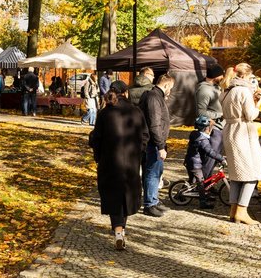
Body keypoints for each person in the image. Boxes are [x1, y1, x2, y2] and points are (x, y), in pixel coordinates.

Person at [89, 80, 148, 250]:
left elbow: (96, 138)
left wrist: (99, 156)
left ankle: (118, 230)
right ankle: (122, 230)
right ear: (126, 93)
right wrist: (138, 152)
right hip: (130, 161)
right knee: (127, 195)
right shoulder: (136, 112)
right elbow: (145, 135)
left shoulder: (105, 113)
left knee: (113, 196)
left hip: (109, 161)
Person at [221, 63, 261, 224]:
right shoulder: (243, 91)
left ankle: (233, 211)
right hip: (242, 132)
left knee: (236, 175)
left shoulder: (227, 90)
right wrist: (258, 107)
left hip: (229, 130)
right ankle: (242, 210)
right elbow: (249, 114)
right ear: (246, 76)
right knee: (251, 174)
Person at [139, 73, 176, 217]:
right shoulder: (154, 97)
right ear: (166, 85)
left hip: (156, 141)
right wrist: (160, 145)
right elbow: (154, 124)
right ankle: (149, 204)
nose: (170, 91)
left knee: (156, 173)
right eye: (170, 88)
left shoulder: (156, 96)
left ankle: (153, 200)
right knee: (152, 173)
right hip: (153, 143)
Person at [185, 115, 226, 209]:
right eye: (209, 127)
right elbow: (210, 152)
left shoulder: (195, 134)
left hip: (191, 161)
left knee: (192, 182)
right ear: (206, 128)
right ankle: (203, 202)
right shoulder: (202, 140)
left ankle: (190, 194)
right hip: (194, 164)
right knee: (201, 183)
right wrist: (221, 158)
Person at [196, 64, 226, 154]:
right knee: (209, 159)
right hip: (211, 129)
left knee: (215, 159)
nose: (223, 77)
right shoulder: (204, 90)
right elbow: (200, 112)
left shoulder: (216, 87)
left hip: (219, 128)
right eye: (221, 75)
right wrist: (221, 115)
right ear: (215, 76)